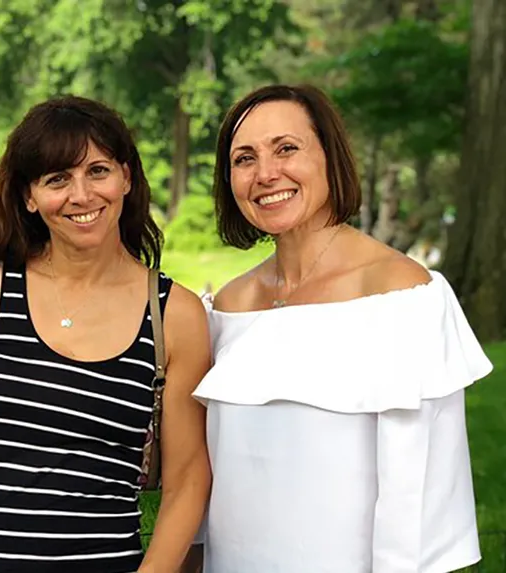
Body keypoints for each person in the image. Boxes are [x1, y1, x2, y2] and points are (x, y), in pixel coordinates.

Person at [0, 95, 211, 573]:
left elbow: (188, 478)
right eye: (57, 179)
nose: (81, 195)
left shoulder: (175, 314)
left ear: (126, 176)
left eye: (98, 171)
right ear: (30, 196)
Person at [193, 84, 494, 572]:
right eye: (244, 158)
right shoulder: (228, 306)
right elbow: (207, 486)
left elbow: (416, 502)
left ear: (330, 156)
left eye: (286, 148)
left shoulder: (401, 294)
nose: (266, 174)